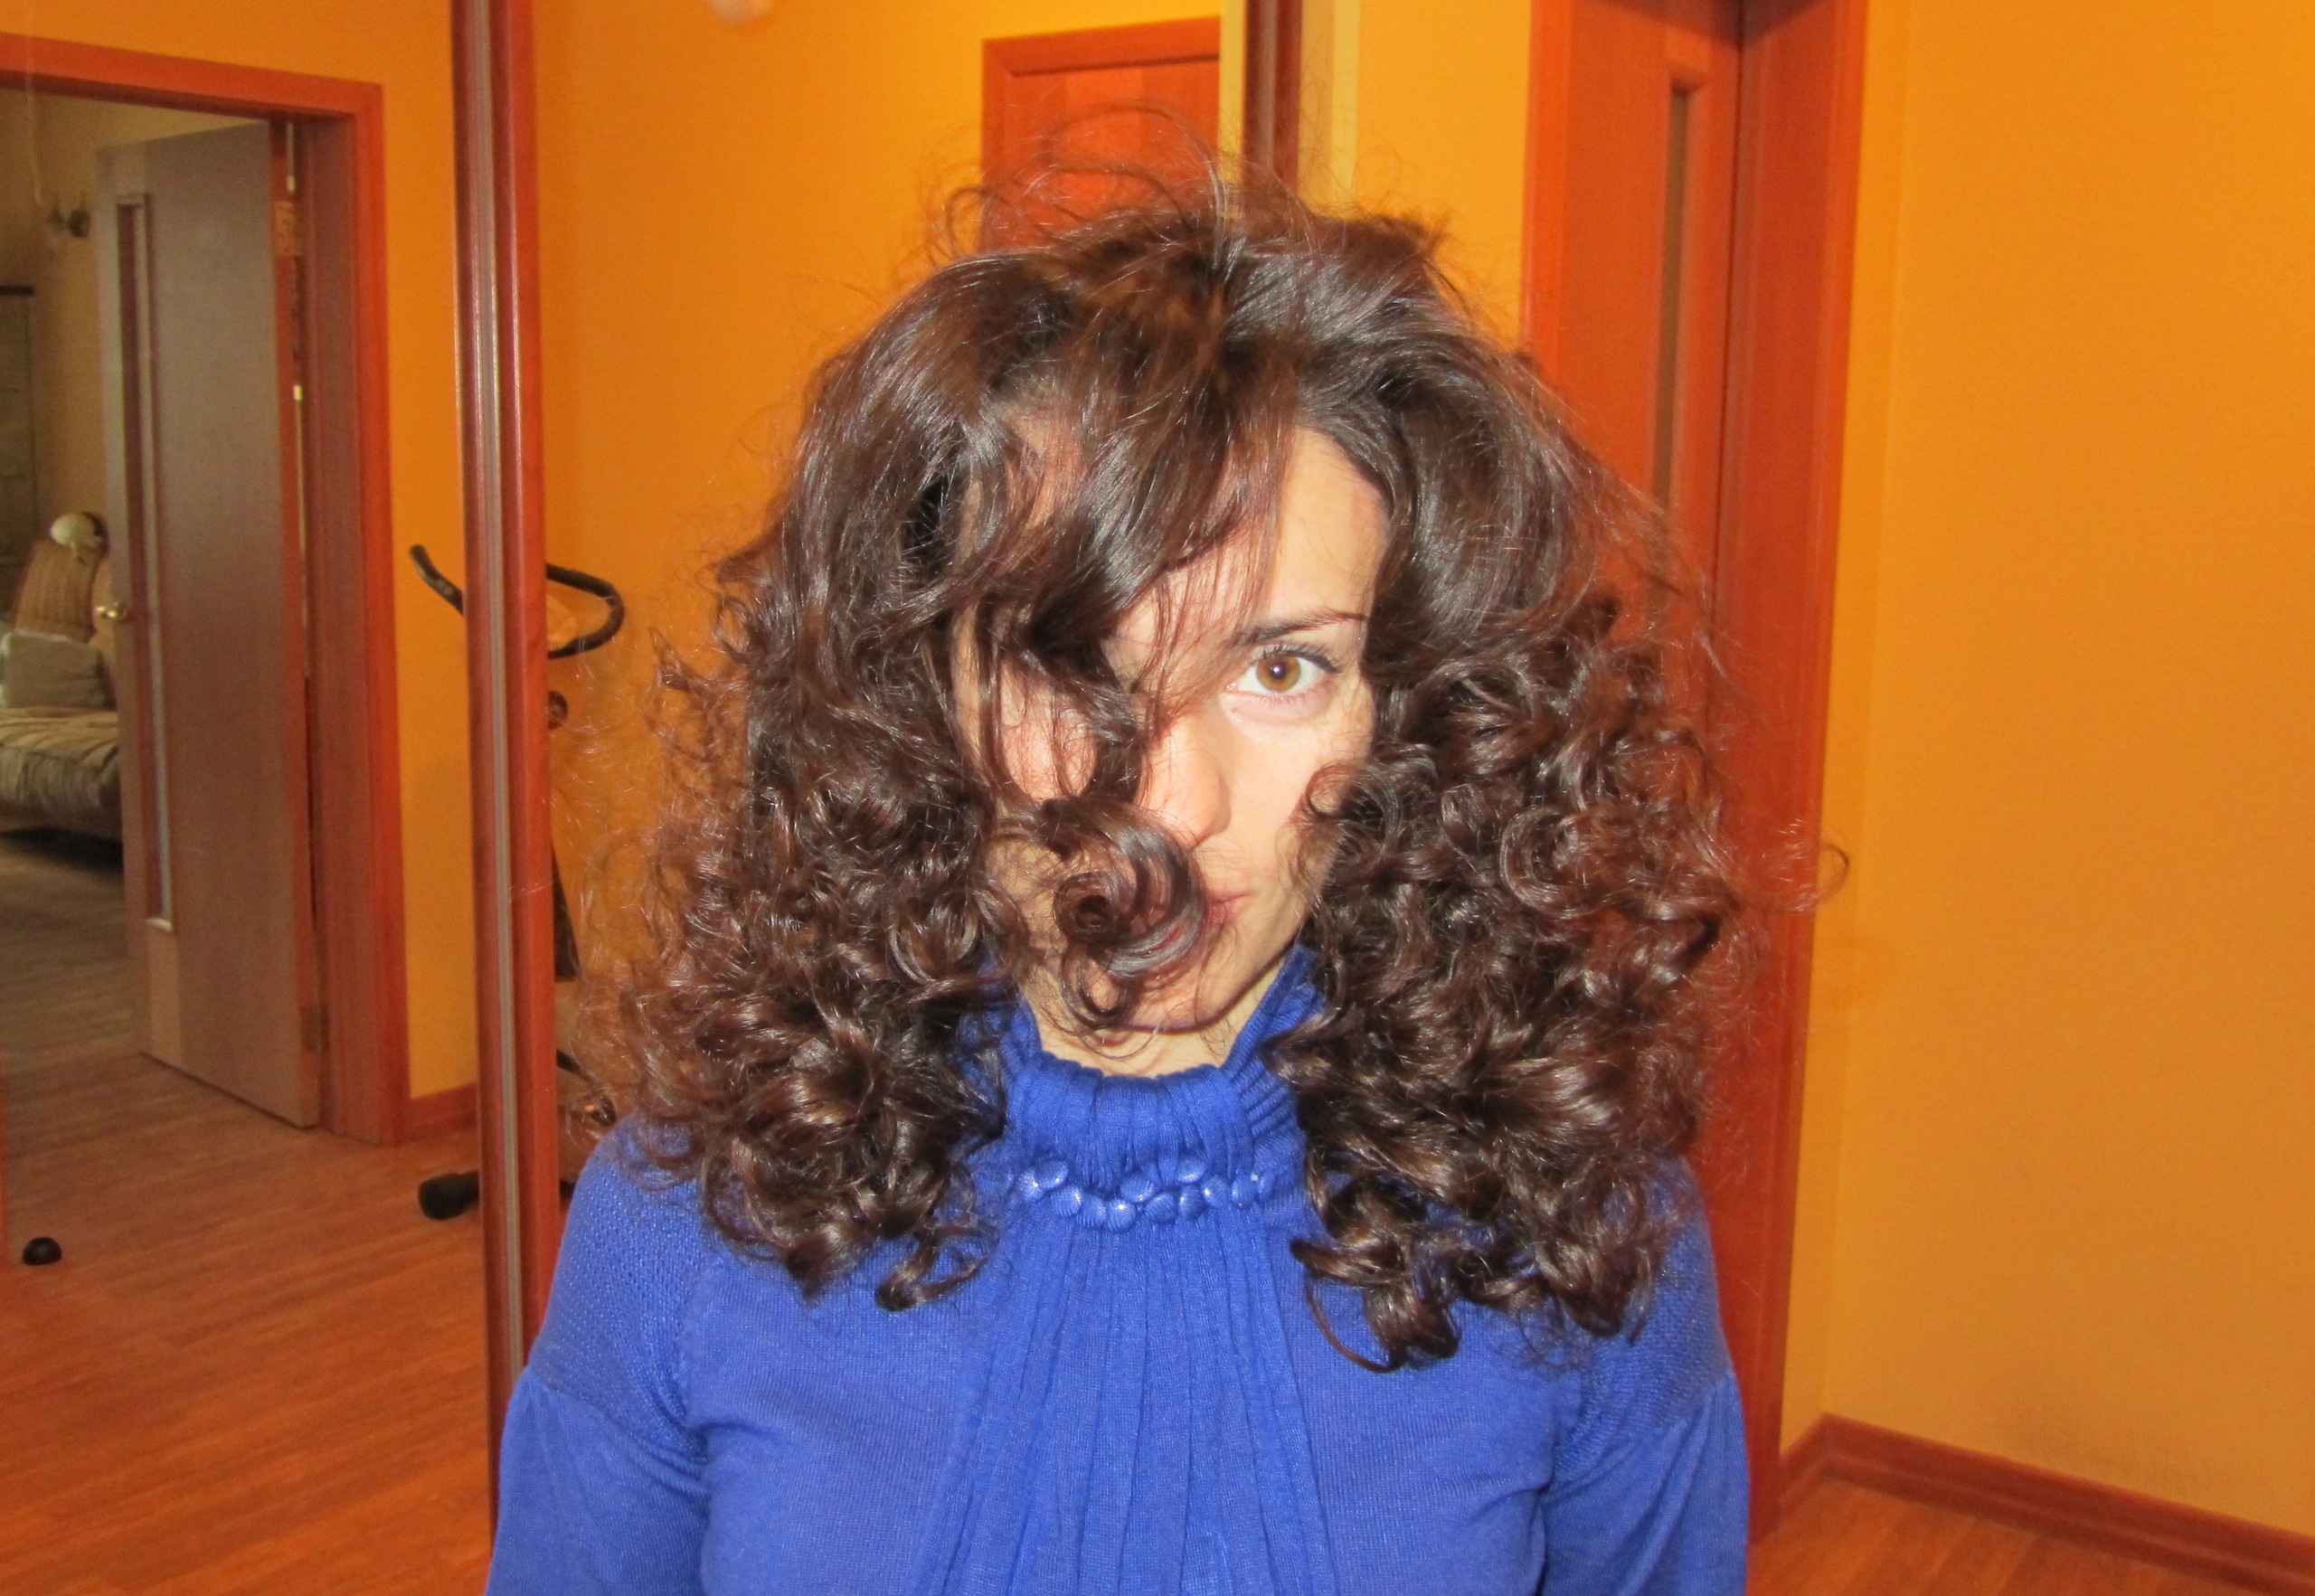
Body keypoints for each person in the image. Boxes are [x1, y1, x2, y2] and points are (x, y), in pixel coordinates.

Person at [486, 175, 1748, 1595]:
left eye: (1283, 667)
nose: (1174, 805)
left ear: (1405, 706)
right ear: (922, 693)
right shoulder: (685, 1222)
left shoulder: (1581, 1231)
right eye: (1066, 665)